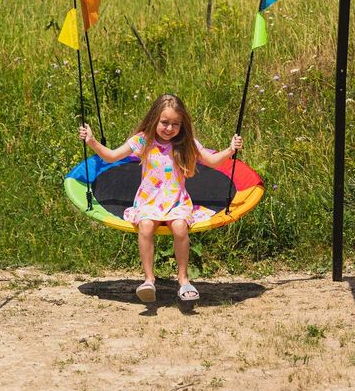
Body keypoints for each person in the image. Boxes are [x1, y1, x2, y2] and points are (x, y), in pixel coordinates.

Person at [78, 93, 242, 303]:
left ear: (182, 125)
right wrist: (91, 141)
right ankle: (148, 280)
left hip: (176, 201)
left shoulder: (186, 142)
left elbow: (211, 161)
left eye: (175, 124)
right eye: (164, 123)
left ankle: (183, 280)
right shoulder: (142, 140)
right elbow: (111, 156)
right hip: (149, 201)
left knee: (180, 227)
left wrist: (230, 149)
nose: (169, 128)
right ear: (155, 119)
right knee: (146, 226)